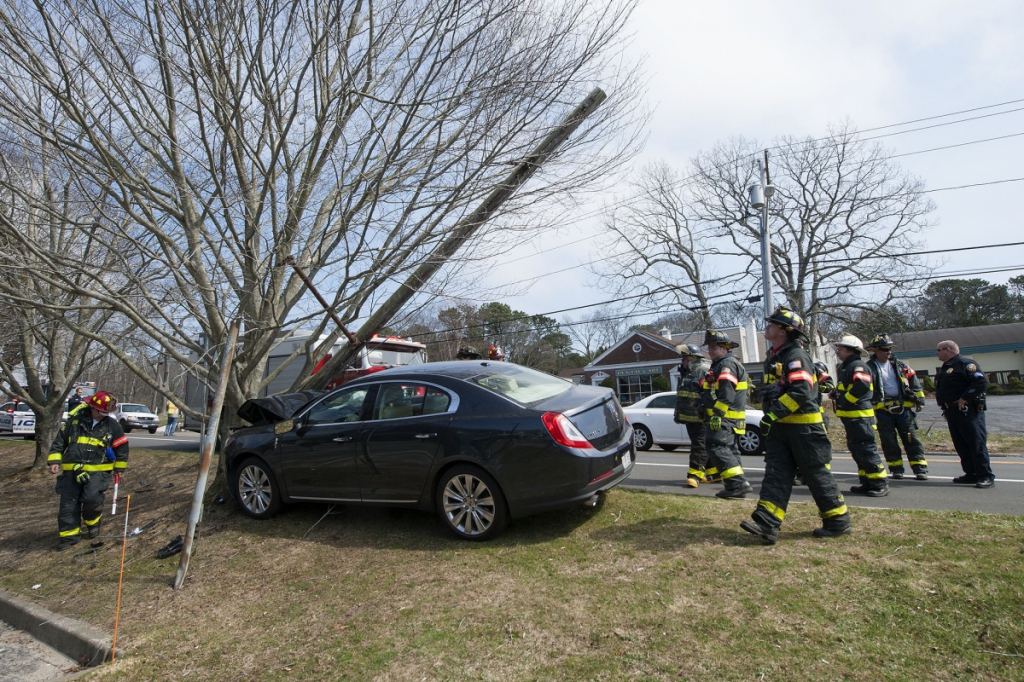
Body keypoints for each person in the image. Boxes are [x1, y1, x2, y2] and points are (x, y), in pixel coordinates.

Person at [741, 306, 850, 544]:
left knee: (816, 475)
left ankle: (838, 521)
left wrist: (774, 412)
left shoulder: (796, 356)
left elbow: (802, 391)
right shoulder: (775, 355)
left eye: (772, 324)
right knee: (776, 474)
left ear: (784, 331)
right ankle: (767, 524)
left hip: (803, 429)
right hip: (782, 428)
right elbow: (788, 386)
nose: (766, 326)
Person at [47, 391, 129, 550]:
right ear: (92, 407)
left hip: (97, 473)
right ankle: (69, 538)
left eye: (107, 412)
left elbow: (122, 447)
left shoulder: (112, 426)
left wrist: (120, 467)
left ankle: (93, 524)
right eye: (101, 412)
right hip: (72, 471)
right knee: (68, 505)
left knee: (92, 500)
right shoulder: (75, 422)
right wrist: (54, 461)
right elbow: (59, 442)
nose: (104, 415)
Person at [865, 334, 929, 481]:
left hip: (903, 409)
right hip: (883, 411)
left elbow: (914, 381)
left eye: (889, 349)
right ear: (876, 350)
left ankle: (920, 469)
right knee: (889, 442)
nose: (888, 352)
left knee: (911, 439)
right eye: (884, 349)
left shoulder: (900, 365)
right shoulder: (869, 368)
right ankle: (896, 469)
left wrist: (919, 400)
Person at [832, 334, 889, 497]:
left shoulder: (857, 365)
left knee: (866, 450)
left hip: (860, 418)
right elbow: (849, 387)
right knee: (858, 451)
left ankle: (880, 483)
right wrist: (836, 394)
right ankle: (867, 482)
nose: (838, 352)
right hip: (852, 418)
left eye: (841, 349)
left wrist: (845, 400)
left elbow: (862, 385)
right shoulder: (847, 367)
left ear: (850, 350)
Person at [700, 330, 753, 499]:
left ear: (724, 349)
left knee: (717, 447)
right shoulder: (721, 365)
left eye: (714, 347)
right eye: (709, 347)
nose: (710, 351)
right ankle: (736, 487)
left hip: (725, 418)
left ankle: (737, 484)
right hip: (730, 418)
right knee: (730, 450)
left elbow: (726, 393)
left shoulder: (726, 366)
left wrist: (717, 414)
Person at [935, 340, 993, 488]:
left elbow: (980, 382)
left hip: (967, 410)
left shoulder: (965, 364)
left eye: (939, 350)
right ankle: (971, 473)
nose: (937, 353)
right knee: (961, 444)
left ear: (948, 350)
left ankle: (985, 475)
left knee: (976, 442)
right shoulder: (947, 367)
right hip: (952, 410)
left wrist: (965, 397)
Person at [673, 343, 710, 488]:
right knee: (701, 444)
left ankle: (694, 475)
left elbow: (708, 395)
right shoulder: (687, 374)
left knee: (699, 446)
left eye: (685, 359)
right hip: (690, 418)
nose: (682, 362)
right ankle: (708, 472)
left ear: (693, 359)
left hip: (700, 418)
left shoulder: (703, 372)